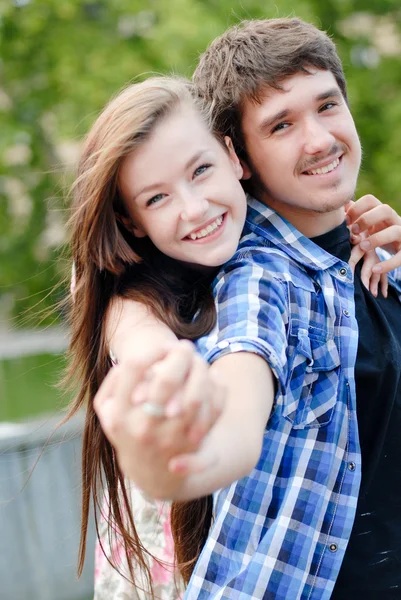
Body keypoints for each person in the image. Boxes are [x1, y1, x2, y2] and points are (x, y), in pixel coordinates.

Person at [93, 17, 401, 600]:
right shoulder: (260, 281)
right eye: (281, 125)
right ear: (244, 156)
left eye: (327, 106)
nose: (317, 139)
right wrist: (170, 464)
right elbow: (234, 423)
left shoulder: (380, 250)